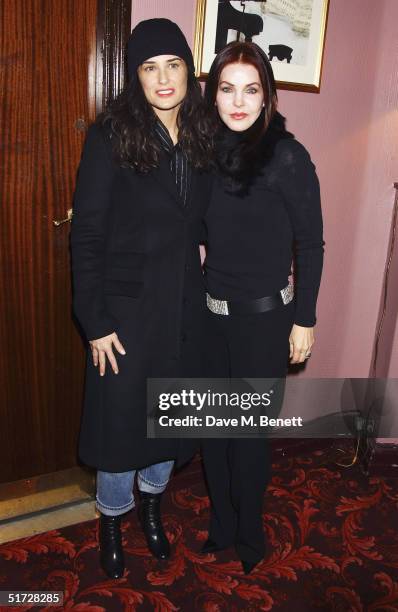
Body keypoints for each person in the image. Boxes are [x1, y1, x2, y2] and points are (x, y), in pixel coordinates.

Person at [70, 18, 212, 579]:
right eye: (149, 68)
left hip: (182, 309)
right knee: (119, 425)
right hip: (125, 315)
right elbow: (88, 235)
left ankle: (151, 505)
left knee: (168, 418)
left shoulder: (203, 135)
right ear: (135, 76)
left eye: (172, 65)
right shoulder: (111, 134)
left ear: (187, 71)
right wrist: (95, 320)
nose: (162, 78)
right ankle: (112, 518)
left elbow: (208, 216)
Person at [200, 41, 325, 575]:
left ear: (268, 96)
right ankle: (222, 526)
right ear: (213, 95)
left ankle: (249, 536)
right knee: (210, 431)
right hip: (210, 317)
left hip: (265, 321)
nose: (238, 101)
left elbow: (311, 243)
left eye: (251, 89)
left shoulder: (288, 156)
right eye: (227, 89)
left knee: (247, 438)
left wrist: (305, 320)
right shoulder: (203, 154)